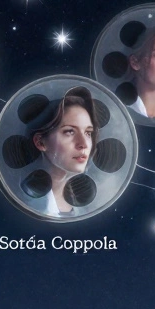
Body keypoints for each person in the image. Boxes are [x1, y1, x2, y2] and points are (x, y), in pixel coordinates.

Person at [29, 87, 97, 218]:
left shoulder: (88, 208)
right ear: (40, 142)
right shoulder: (27, 203)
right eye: (70, 131)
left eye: (88, 133)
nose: (83, 144)